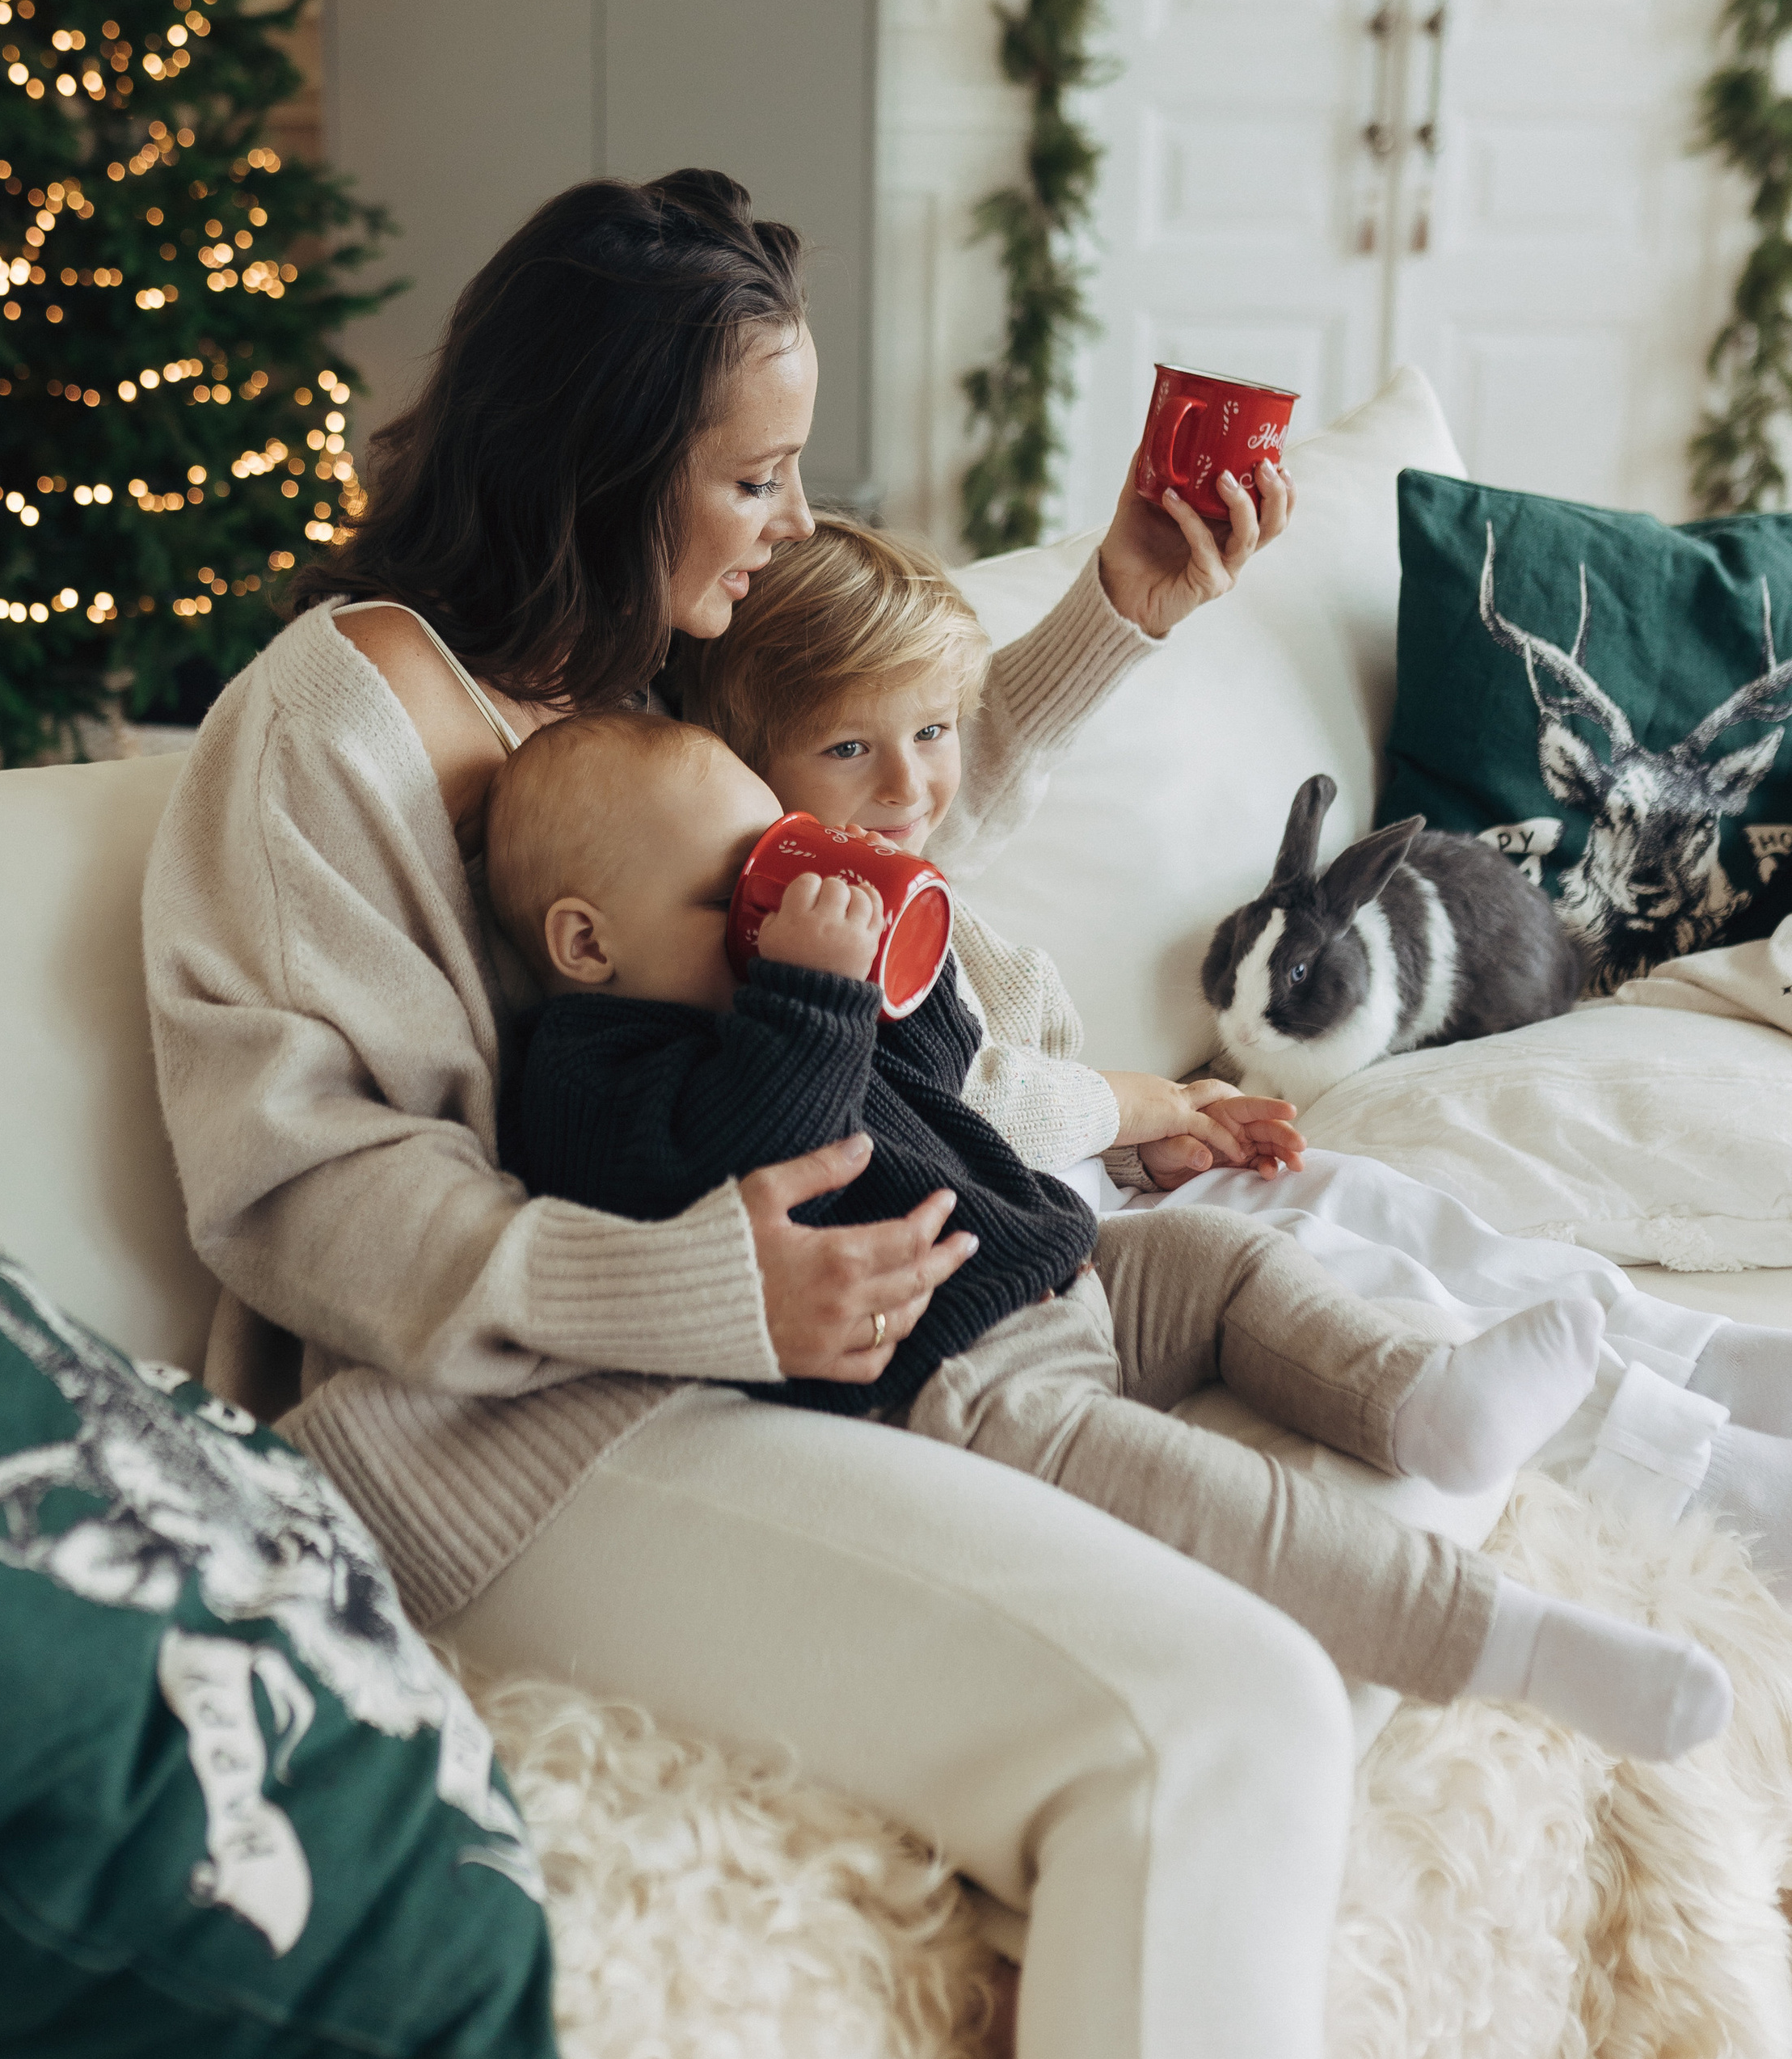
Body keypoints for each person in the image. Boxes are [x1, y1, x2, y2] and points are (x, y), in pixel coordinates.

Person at [143, 167, 1353, 2059]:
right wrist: (701, 1293)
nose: (792, 522)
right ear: (609, 467)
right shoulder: (323, 727)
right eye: (758, 478)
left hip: (785, 1383)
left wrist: (1119, 611)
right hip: (499, 1443)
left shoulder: (632, 692)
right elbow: (304, 1198)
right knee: (1218, 1720)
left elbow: (879, 836)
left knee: (1305, 1589)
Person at [479, 707, 1729, 1759]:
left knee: (1232, 1261)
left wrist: (888, 976)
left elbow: (946, 1080)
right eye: (728, 894)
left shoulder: (751, 998)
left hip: (1056, 1267)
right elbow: (748, 1148)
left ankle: (1424, 1400)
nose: (770, 911)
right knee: (1212, 1503)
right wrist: (811, 988)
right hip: (952, 1383)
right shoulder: (591, 1076)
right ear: (586, 941)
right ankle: (1507, 1639)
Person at [673, 510, 1792, 1597]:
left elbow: (1021, 1098)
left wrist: (1144, 1145)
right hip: (1035, 1247)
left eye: (932, 734)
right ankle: (1699, 1466)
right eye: (849, 748)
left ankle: (1701, 1358)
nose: (910, 788)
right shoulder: (805, 945)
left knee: (1377, 1199)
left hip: (1082, 1181)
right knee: (1361, 1271)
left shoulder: (889, 867)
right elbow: (974, 1103)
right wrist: (1146, 1107)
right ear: (752, 772)